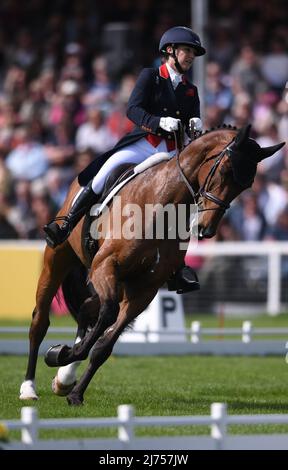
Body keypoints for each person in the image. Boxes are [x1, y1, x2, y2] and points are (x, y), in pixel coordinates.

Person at [44, 26, 206, 293]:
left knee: (186, 201)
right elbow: (133, 109)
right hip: (144, 144)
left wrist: (195, 124)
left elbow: (191, 123)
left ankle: (178, 265)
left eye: (192, 53)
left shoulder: (191, 90)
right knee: (104, 171)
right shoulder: (151, 76)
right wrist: (157, 121)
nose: (190, 56)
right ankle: (67, 222)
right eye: (186, 50)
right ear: (170, 51)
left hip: (172, 150)